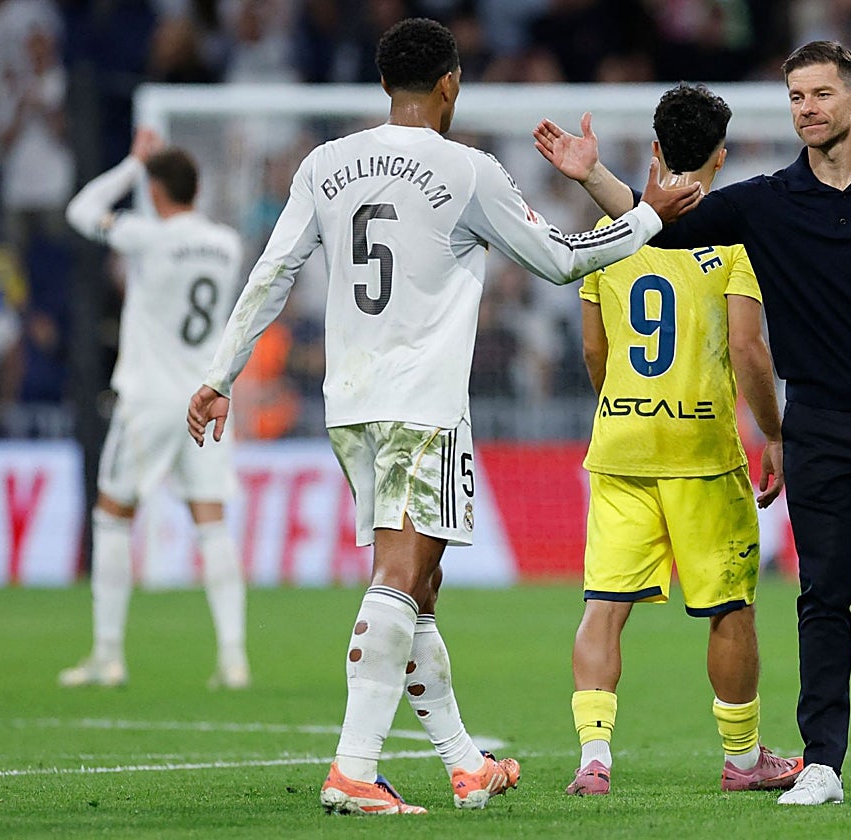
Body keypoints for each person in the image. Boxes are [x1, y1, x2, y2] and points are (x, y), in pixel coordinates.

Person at [186, 17, 699, 816]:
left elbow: (275, 269)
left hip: (350, 404)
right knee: (400, 574)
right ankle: (354, 769)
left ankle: (466, 764)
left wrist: (220, 374)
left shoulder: (326, 164)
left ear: (386, 84)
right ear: (451, 85)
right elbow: (562, 260)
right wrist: (648, 217)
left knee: (420, 584)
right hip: (423, 406)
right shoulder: (466, 169)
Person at [534, 39, 851, 805]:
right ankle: (824, 760)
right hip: (822, 425)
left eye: (822, 95)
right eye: (797, 96)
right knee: (823, 594)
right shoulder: (766, 203)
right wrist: (591, 173)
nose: (808, 109)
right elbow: (660, 229)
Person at [564, 82, 801, 797]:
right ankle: (742, 757)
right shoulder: (736, 239)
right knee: (729, 608)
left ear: (658, 149)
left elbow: (593, 354)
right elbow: (748, 347)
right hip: (702, 451)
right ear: (721, 157)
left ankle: (593, 760)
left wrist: (625, 406)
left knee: (604, 605)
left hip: (622, 445)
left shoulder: (611, 236)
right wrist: (776, 434)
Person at [61, 127, 250, 690]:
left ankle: (108, 655)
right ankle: (234, 659)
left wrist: (131, 163)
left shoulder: (147, 238)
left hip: (147, 398)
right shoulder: (225, 243)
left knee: (112, 516)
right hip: (207, 397)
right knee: (212, 524)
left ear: (156, 190)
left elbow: (81, 211)